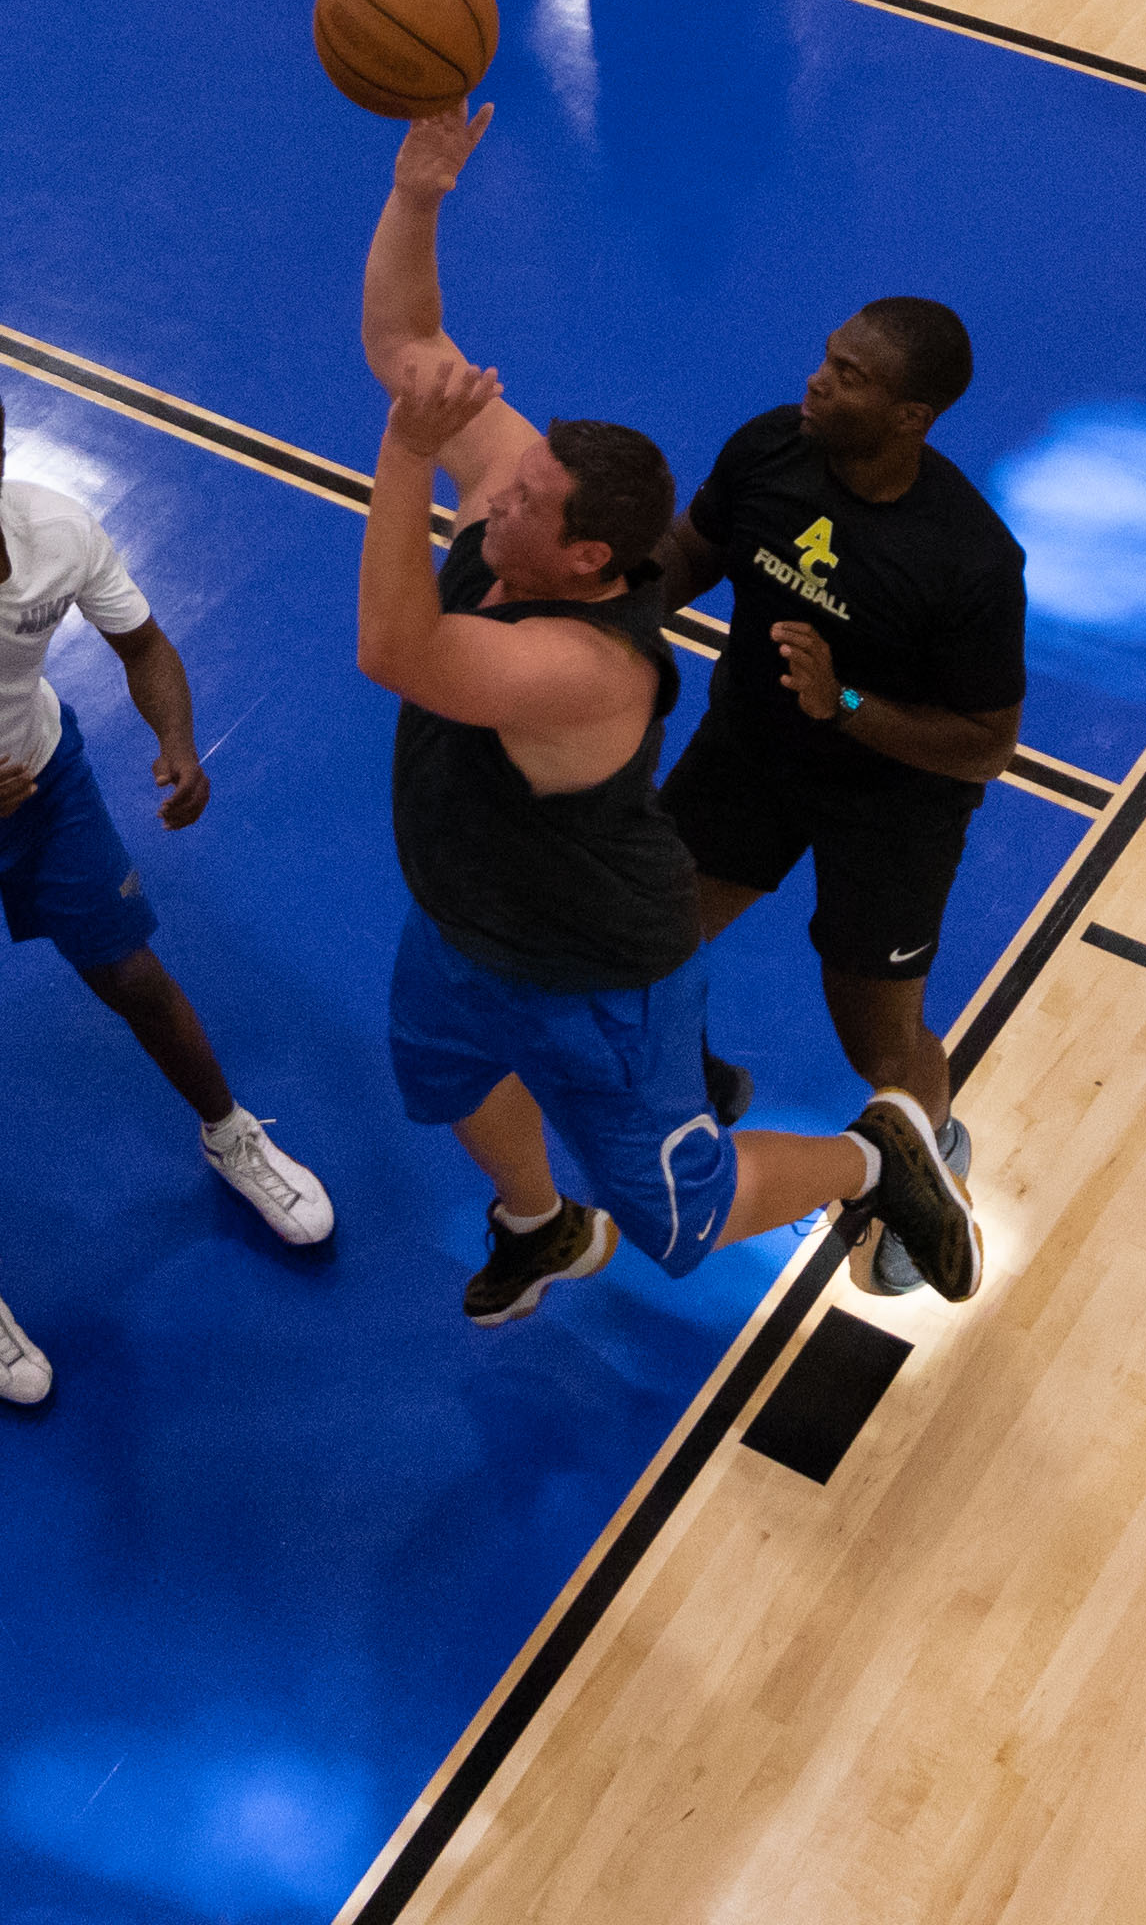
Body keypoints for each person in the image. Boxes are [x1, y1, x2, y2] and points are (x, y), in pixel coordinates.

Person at [355, 104, 982, 1323]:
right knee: (442, 1074)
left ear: (588, 557)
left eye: (523, 499)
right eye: (509, 475)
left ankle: (877, 1161)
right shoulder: (530, 506)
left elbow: (395, 647)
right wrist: (418, 194)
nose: (493, 495)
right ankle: (538, 1226)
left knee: (680, 1221)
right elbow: (410, 333)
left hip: (592, 967)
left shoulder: (586, 667)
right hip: (464, 913)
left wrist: (399, 451)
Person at [0, 343, 334, 1410]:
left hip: (44, 781)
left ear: (5, 453)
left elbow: (142, 644)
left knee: (133, 972)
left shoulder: (58, 529)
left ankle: (232, 1133)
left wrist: (179, 742)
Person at [663, 297, 1023, 1295]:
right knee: (644, 934)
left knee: (879, 1037)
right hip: (751, 749)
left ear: (914, 415)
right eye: (828, 357)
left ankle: (930, 1157)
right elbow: (690, 552)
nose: (820, 379)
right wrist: (588, 619)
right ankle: (698, 1081)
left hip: (892, 804)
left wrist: (847, 702)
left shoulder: (968, 560)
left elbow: (987, 743)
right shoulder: (773, 447)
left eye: (852, 374)